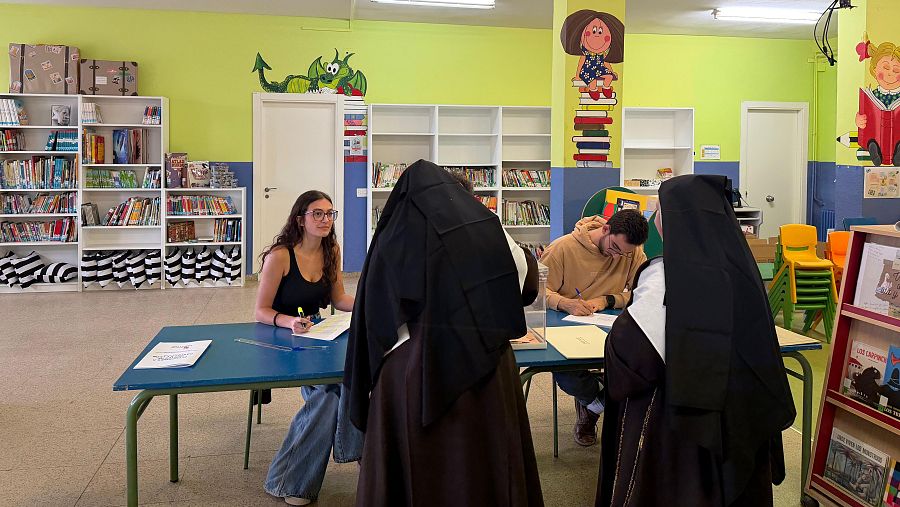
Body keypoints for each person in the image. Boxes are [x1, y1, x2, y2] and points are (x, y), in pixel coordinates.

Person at [345, 159, 544, 507]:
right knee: (484, 462)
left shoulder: (393, 238)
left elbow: (372, 315)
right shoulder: (489, 229)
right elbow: (527, 286)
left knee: (414, 468)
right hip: (487, 368)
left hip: (410, 372)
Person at [596, 175, 796, 506]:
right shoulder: (745, 274)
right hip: (738, 426)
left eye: (660, 209)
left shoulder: (663, 280)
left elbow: (634, 361)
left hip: (678, 437)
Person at [254, 190, 363, 506]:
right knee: (331, 393)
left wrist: (369, 303)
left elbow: (339, 298)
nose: (325, 219)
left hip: (319, 335)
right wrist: (289, 322)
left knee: (350, 381)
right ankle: (297, 478)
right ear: (300, 219)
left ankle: (293, 482)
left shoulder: (332, 251)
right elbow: (260, 311)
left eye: (330, 213)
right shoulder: (280, 256)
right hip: (281, 337)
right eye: (318, 213)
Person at [539, 209, 648, 446]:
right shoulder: (563, 248)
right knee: (566, 370)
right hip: (566, 326)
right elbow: (537, 290)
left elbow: (643, 291)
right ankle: (600, 402)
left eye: (625, 253)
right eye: (615, 248)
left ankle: (592, 405)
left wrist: (608, 300)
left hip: (611, 325)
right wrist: (563, 302)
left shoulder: (632, 252)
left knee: (644, 360)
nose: (618, 257)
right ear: (606, 229)